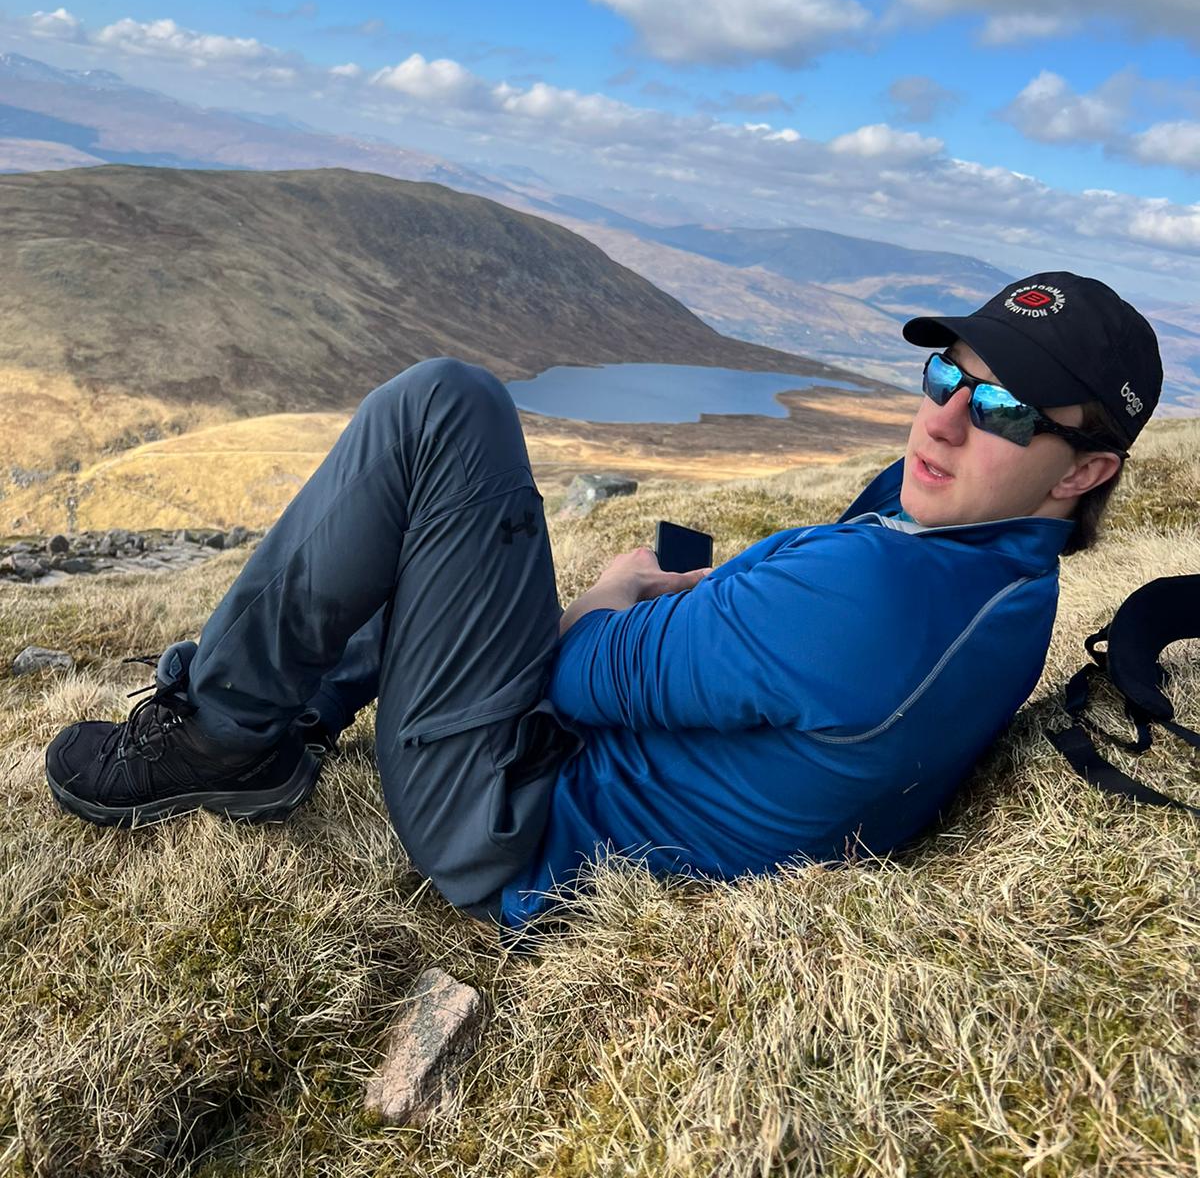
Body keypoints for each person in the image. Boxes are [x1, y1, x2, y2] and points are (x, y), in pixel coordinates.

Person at [44, 270, 1162, 941]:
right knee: (467, 532)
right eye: (946, 375)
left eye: (1007, 407)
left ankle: (224, 733)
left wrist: (602, 598)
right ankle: (286, 712)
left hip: (511, 822)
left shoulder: (879, 600)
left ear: (1083, 472)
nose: (944, 420)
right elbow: (800, 643)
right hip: (569, 769)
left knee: (443, 408)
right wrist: (708, 607)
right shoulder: (999, 567)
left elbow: (575, 668)